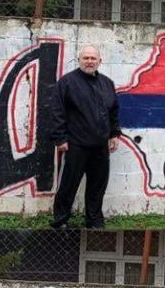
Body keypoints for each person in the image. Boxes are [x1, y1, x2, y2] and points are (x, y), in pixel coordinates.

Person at [48, 45, 121, 229]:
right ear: (79, 60)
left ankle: (94, 221)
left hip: (100, 146)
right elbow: (57, 111)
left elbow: (113, 112)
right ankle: (61, 220)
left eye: (93, 58)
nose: (89, 61)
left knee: (97, 187)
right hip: (76, 145)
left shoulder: (107, 83)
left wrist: (114, 134)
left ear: (99, 61)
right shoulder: (66, 83)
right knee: (68, 186)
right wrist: (60, 138)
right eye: (86, 58)